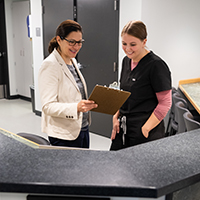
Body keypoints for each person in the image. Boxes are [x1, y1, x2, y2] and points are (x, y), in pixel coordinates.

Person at [110, 20, 172, 150]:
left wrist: (146, 128)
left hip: (146, 130)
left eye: (133, 44)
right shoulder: (126, 61)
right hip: (125, 126)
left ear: (144, 42)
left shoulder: (156, 65)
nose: (127, 49)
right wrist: (116, 115)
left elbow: (165, 103)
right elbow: (124, 92)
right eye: (124, 43)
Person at [38, 20, 97, 148]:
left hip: (82, 128)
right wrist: (76, 107)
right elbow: (48, 106)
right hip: (63, 134)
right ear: (59, 40)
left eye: (79, 42)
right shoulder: (50, 65)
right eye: (71, 42)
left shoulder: (72, 61)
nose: (76, 46)